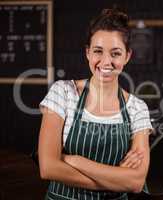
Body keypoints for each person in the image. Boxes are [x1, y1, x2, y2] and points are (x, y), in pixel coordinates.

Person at [38, 8, 152, 200]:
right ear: (88, 53)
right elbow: (48, 167)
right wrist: (115, 181)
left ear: (127, 56)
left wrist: (73, 160)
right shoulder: (64, 92)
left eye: (115, 53)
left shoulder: (137, 108)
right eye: (98, 51)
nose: (106, 61)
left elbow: (136, 182)